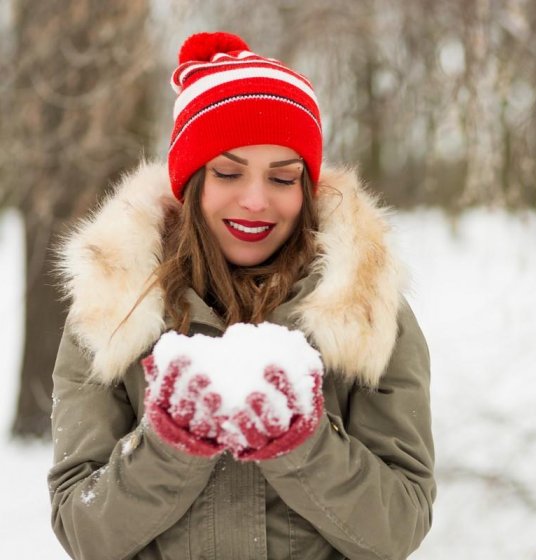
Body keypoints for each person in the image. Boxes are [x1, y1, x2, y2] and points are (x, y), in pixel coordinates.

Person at [48, 31, 435, 560]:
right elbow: (83, 530)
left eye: (282, 178)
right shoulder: (113, 309)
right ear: (191, 183)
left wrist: (305, 445)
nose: (255, 200)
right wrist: (167, 448)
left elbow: (399, 527)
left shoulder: (364, 312)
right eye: (228, 172)